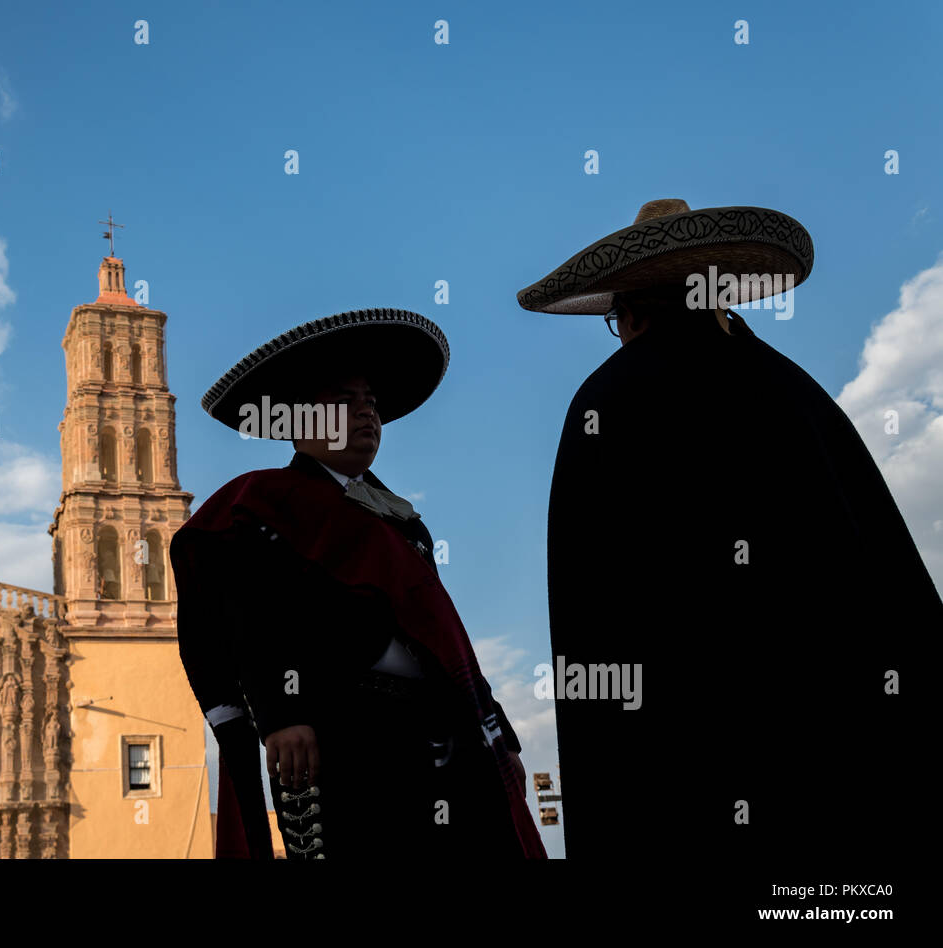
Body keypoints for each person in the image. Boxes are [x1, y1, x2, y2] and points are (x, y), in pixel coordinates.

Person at [518, 198, 940, 860]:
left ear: (631, 310)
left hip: (691, 774)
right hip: (855, 765)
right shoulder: (796, 391)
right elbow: (890, 583)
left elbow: (595, 612)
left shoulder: (608, 399)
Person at [170, 308, 547, 860]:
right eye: (345, 400)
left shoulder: (401, 521)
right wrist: (282, 713)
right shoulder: (262, 504)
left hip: (437, 731)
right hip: (343, 733)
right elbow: (249, 617)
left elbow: (447, 639)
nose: (367, 412)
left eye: (371, 401)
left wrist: (498, 735)